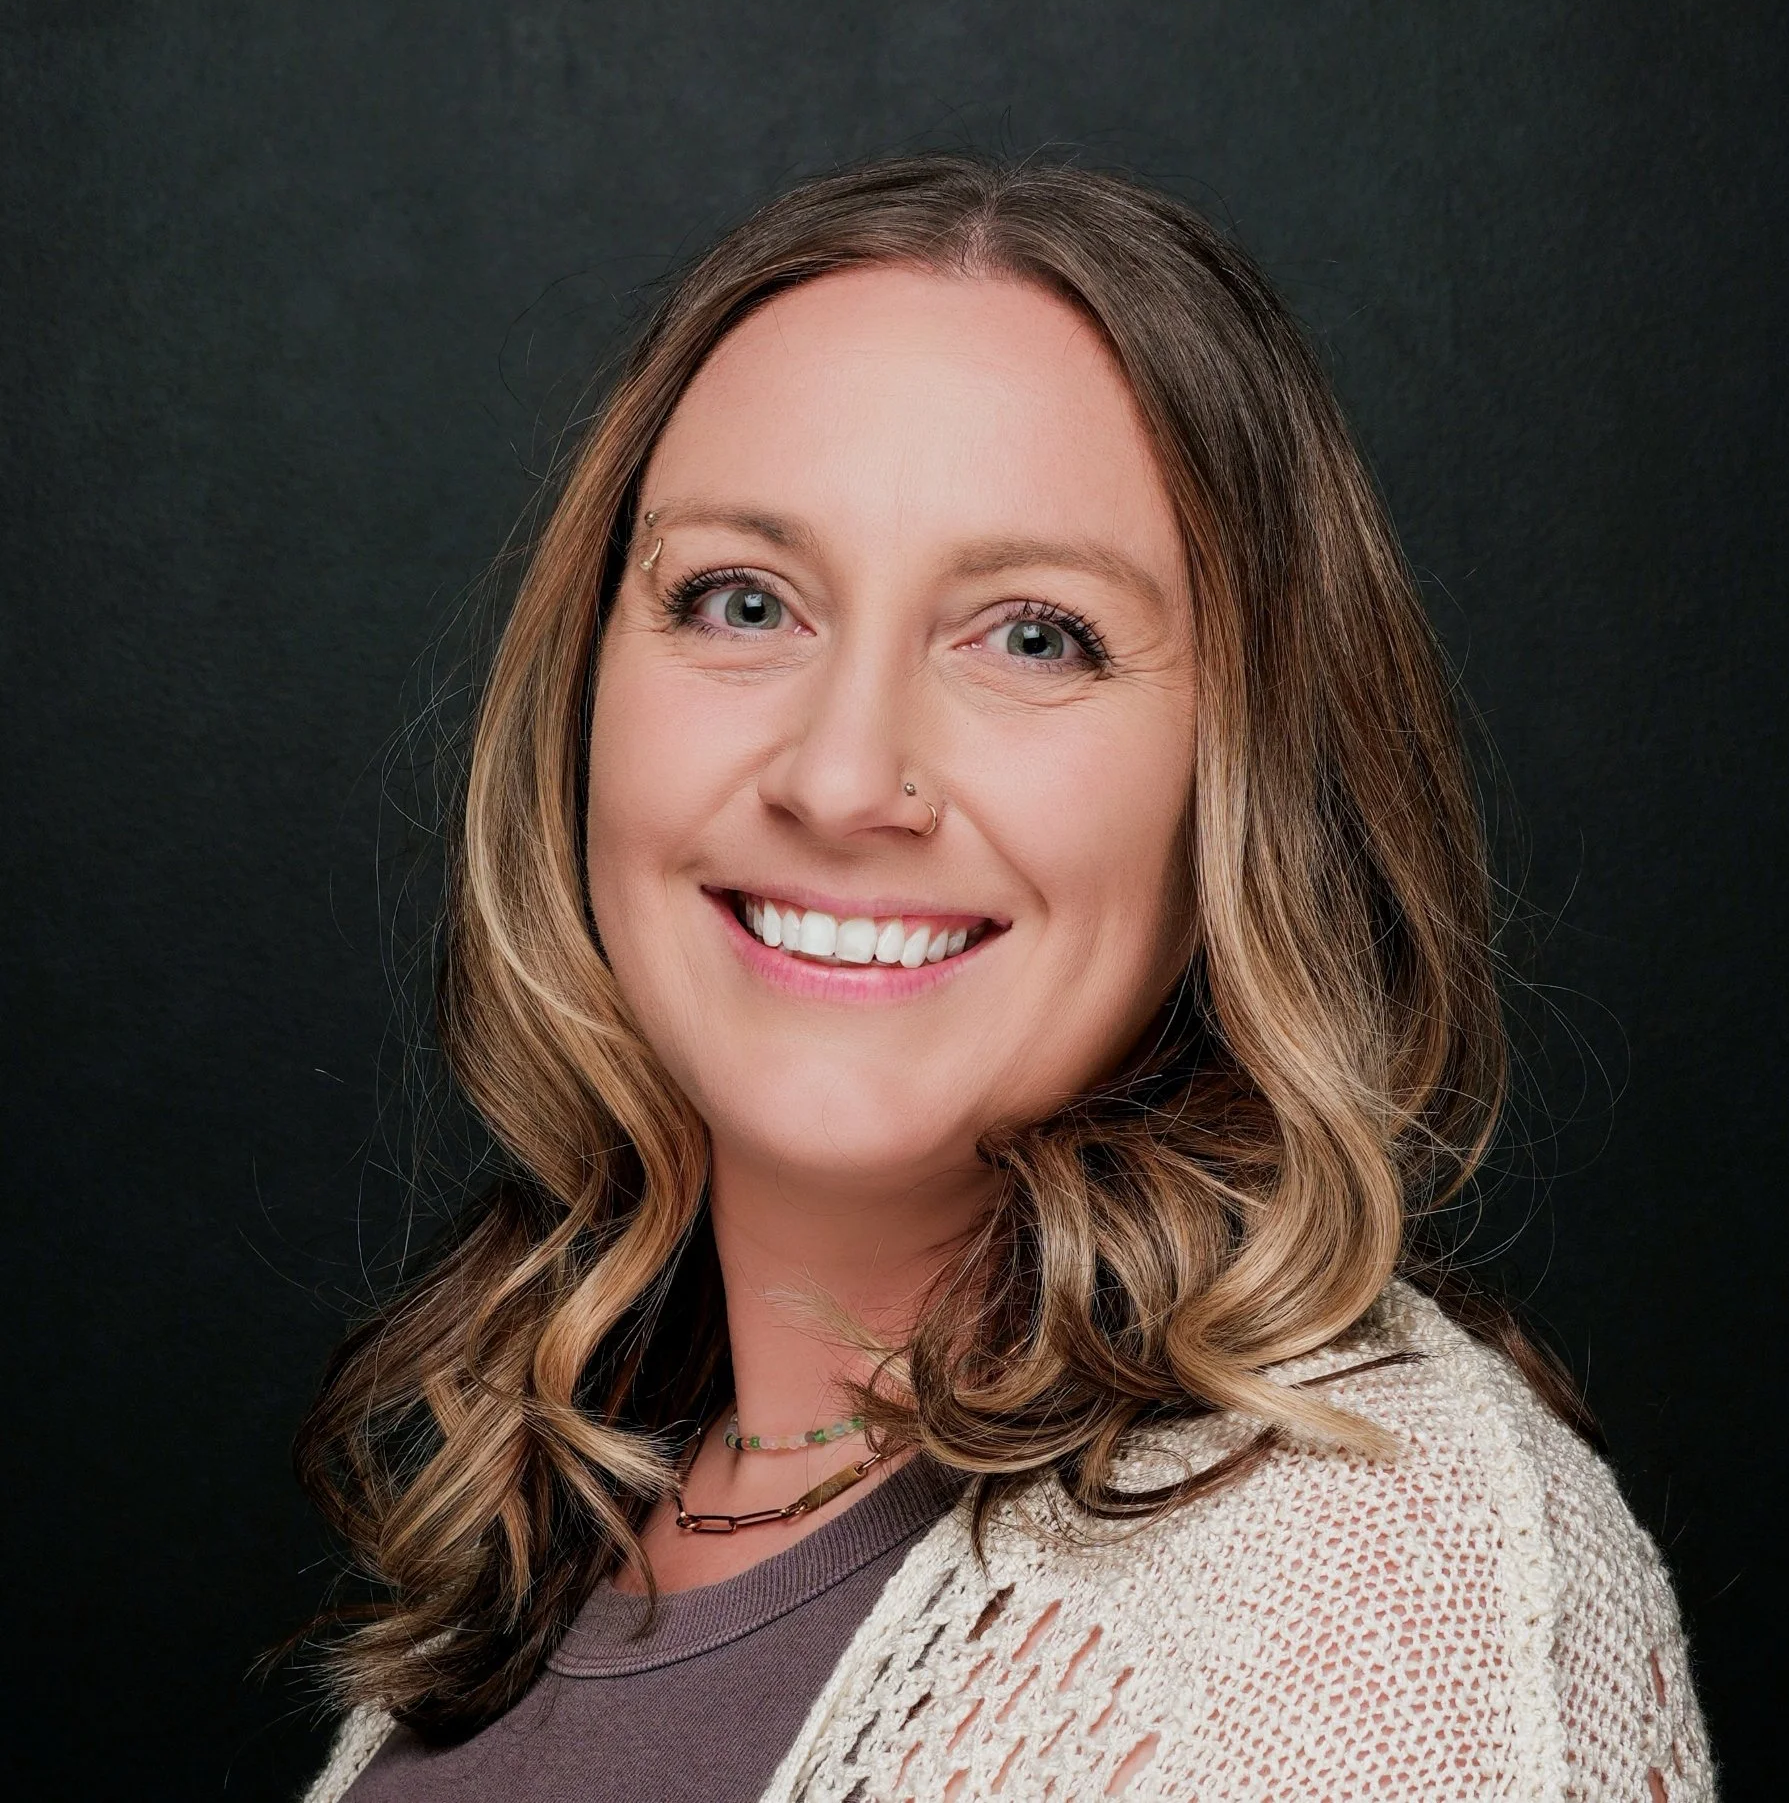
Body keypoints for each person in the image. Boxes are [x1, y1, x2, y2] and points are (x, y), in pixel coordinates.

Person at [296, 155, 1712, 1801]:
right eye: (740, 601)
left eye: (1033, 634)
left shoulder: (1380, 1596)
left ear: (1242, 790)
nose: (839, 779)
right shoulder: (574, 1505)